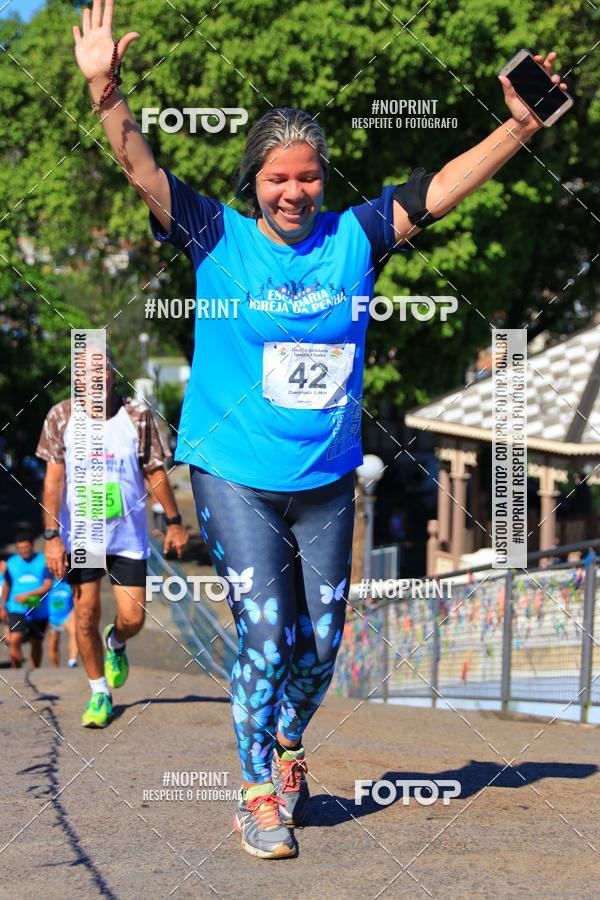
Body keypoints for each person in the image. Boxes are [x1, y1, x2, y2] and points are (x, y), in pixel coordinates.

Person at [72, 0, 568, 859]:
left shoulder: (357, 238)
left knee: (321, 642)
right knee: (265, 629)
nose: (293, 192)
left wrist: (519, 128)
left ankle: (289, 743)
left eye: (307, 177)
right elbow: (141, 168)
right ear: (253, 181)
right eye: (276, 178)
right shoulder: (214, 235)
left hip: (329, 476)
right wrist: (105, 91)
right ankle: (255, 791)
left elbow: (444, 185)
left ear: (321, 181)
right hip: (232, 470)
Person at [36, 347, 188, 727]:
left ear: (113, 377)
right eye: (87, 375)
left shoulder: (136, 415)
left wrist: (173, 520)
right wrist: (51, 536)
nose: (95, 380)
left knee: (133, 617)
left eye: (102, 373)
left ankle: (116, 642)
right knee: (85, 613)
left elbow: (155, 472)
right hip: (81, 537)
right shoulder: (61, 416)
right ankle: (99, 692)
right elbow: (53, 481)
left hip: (127, 536)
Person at [0, 534, 52, 669]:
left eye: (25, 547)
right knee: (14, 640)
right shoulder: (11, 562)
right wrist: (3, 606)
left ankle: (35, 672)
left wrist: (27, 595)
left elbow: (47, 585)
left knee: (36, 642)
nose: (23, 550)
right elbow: (7, 585)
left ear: (32, 545)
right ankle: (16, 670)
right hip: (16, 608)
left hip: (38, 608)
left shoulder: (44, 560)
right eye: (19, 548)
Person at [46, 578, 78, 668]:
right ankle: (55, 667)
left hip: (67, 616)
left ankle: (72, 660)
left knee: (75, 632)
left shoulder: (70, 581)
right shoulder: (48, 581)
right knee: (53, 644)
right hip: (52, 618)